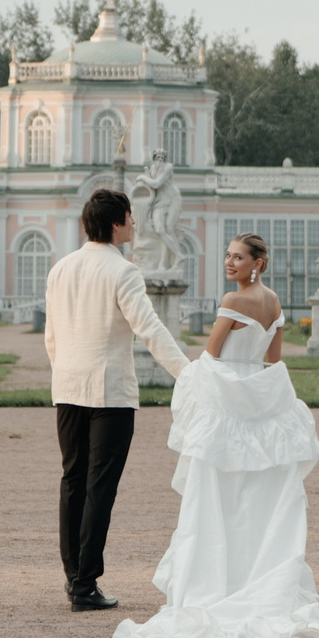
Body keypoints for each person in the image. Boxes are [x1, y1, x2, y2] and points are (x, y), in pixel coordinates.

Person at [112, 233, 319, 638]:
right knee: (257, 496)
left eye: (238, 257)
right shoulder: (274, 303)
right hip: (260, 397)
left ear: (257, 262)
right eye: (227, 256)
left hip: (227, 399)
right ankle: (255, 576)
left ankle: (214, 581)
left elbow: (211, 356)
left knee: (215, 495)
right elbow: (273, 362)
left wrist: (194, 395)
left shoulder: (234, 302)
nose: (229, 263)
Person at [46, 188, 191, 612]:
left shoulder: (60, 269)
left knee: (72, 482)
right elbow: (151, 329)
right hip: (110, 393)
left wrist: (64, 373)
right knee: (99, 488)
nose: (135, 224)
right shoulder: (124, 271)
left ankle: (74, 577)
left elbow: (51, 336)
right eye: (131, 217)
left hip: (68, 388)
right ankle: (86, 584)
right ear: (115, 224)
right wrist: (189, 372)